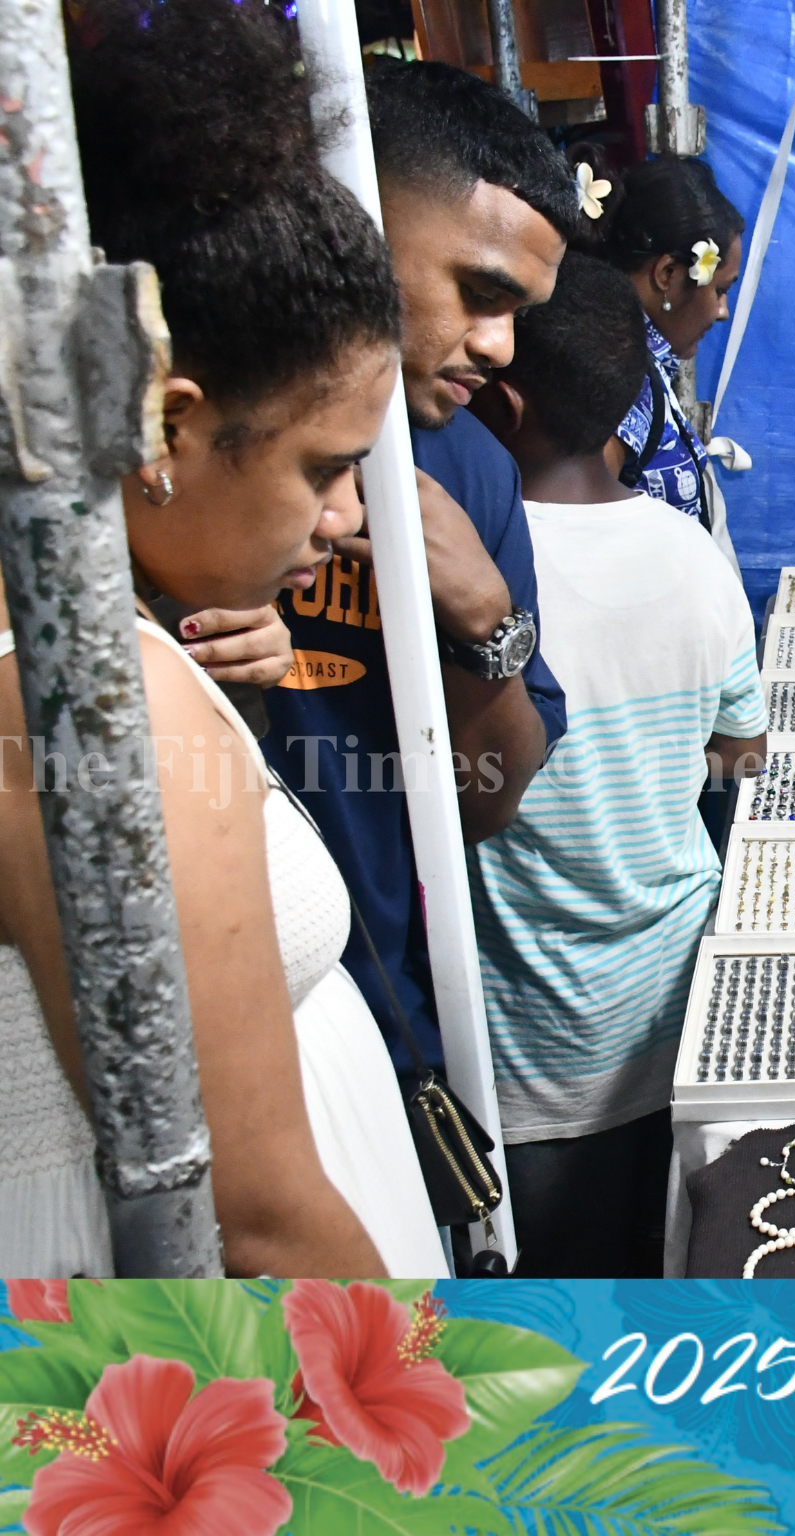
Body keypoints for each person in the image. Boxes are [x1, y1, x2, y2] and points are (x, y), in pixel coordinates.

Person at [0, 0, 444, 1277]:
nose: (345, 520)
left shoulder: (104, 655)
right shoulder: (100, 708)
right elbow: (256, 1220)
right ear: (168, 427)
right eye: (324, 469)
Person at [264, 61, 576, 1104]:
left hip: (386, 1028)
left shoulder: (470, 471)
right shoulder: (182, 448)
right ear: (354, 218)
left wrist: (486, 619)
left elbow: (486, 803)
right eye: (479, 294)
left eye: (520, 311)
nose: (499, 346)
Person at [466, 253, 766, 1276]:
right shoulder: (691, 554)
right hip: (678, 1013)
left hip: (530, 1048)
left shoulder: (468, 572)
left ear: (497, 403)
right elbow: (740, 749)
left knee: (555, 1297)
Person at [592, 155, 745, 569]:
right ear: (668, 274)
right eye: (720, 290)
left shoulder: (640, 363)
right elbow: (582, 533)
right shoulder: (621, 380)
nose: (722, 312)